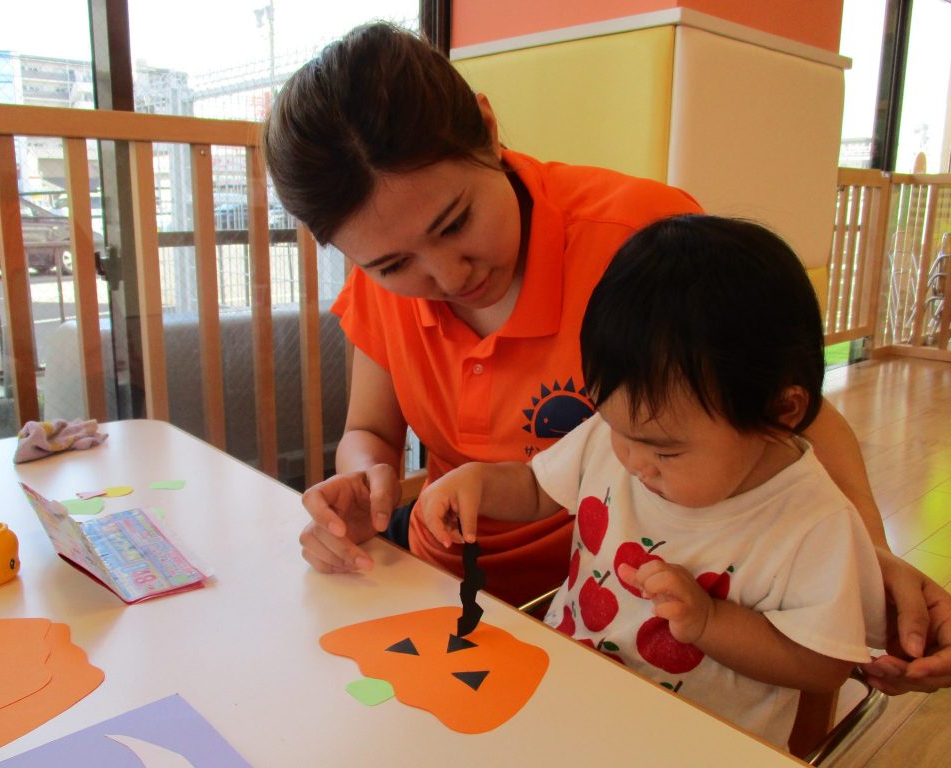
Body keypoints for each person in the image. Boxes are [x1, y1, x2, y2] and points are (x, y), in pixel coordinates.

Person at [263, 21, 951, 695]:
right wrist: (363, 490)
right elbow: (369, 432)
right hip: (446, 584)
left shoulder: (638, 241)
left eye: (455, 222)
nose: (447, 275)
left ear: (489, 129)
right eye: (392, 264)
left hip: (619, 602)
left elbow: (777, 410)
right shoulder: (380, 289)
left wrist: (867, 559)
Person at [418, 214, 887, 748]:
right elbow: (535, 489)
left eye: (665, 450)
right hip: (564, 695)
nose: (632, 462)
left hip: (694, 743)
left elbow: (822, 665)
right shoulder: (617, 437)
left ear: (780, 413)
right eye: (616, 428)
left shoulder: (814, 523)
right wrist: (477, 481)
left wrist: (709, 621)